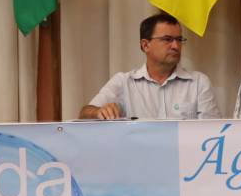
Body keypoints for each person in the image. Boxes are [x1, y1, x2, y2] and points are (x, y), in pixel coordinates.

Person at [79, 12, 219, 120]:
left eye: (179, 39)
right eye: (167, 39)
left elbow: (212, 132)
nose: (176, 46)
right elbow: (84, 113)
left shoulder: (199, 83)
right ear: (145, 45)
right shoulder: (124, 82)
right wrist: (98, 112)